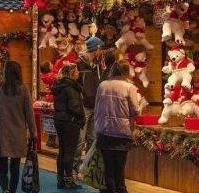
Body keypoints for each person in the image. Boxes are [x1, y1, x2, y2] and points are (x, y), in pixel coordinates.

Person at [0, 61, 37, 193]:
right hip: (18, 133)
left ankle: (4, 189)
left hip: (1, 133)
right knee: (15, 166)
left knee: (2, 166)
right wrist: (33, 134)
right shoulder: (23, 89)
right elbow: (29, 115)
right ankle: (12, 191)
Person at [95, 61, 141, 193]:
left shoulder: (102, 85)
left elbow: (96, 107)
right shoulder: (129, 87)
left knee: (108, 168)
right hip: (121, 132)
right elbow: (135, 111)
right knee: (119, 168)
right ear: (126, 72)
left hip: (104, 131)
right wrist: (140, 104)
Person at [74, 35, 105, 176]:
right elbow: (76, 84)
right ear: (95, 49)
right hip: (84, 105)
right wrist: (84, 97)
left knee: (92, 138)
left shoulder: (97, 65)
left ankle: (87, 169)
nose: (101, 51)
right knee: (80, 138)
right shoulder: (79, 64)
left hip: (95, 105)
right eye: (100, 48)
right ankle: (74, 168)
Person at [52, 63, 85, 189]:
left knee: (62, 151)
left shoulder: (59, 86)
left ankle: (61, 179)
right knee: (69, 151)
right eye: (76, 72)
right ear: (71, 73)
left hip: (59, 120)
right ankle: (68, 180)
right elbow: (74, 107)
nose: (78, 74)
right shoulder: (71, 88)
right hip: (70, 122)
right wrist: (81, 118)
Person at [40, 61, 59, 149]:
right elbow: (57, 75)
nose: (52, 65)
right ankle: (51, 140)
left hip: (49, 98)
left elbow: (54, 70)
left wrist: (61, 59)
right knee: (53, 120)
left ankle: (50, 140)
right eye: (51, 64)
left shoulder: (45, 76)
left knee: (51, 120)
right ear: (48, 67)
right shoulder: (51, 76)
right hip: (53, 99)